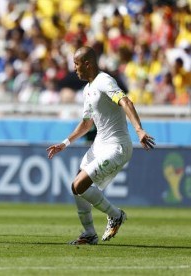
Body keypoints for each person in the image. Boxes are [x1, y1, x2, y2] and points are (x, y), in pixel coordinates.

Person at [46, 46, 155, 245]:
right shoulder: (88, 89)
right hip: (99, 145)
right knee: (75, 187)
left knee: (80, 185)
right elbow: (87, 123)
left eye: (77, 64)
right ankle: (89, 234)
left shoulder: (104, 81)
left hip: (117, 146)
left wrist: (139, 129)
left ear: (87, 64)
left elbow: (126, 102)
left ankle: (115, 215)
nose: (75, 68)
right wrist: (65, 143)